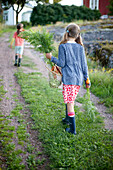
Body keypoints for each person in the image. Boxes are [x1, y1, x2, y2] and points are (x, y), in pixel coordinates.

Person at [46, 23, 90, 135]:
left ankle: (72, 130)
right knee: (68, 99)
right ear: (77, 34)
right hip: (78, 79)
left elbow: (61, 63)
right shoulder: (80, 47)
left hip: (69, 79)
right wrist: (87, 78)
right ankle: (67, 119)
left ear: (67, 33)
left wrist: (51, 58)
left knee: (70, 102)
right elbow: (84, 65)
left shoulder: (63, 46)